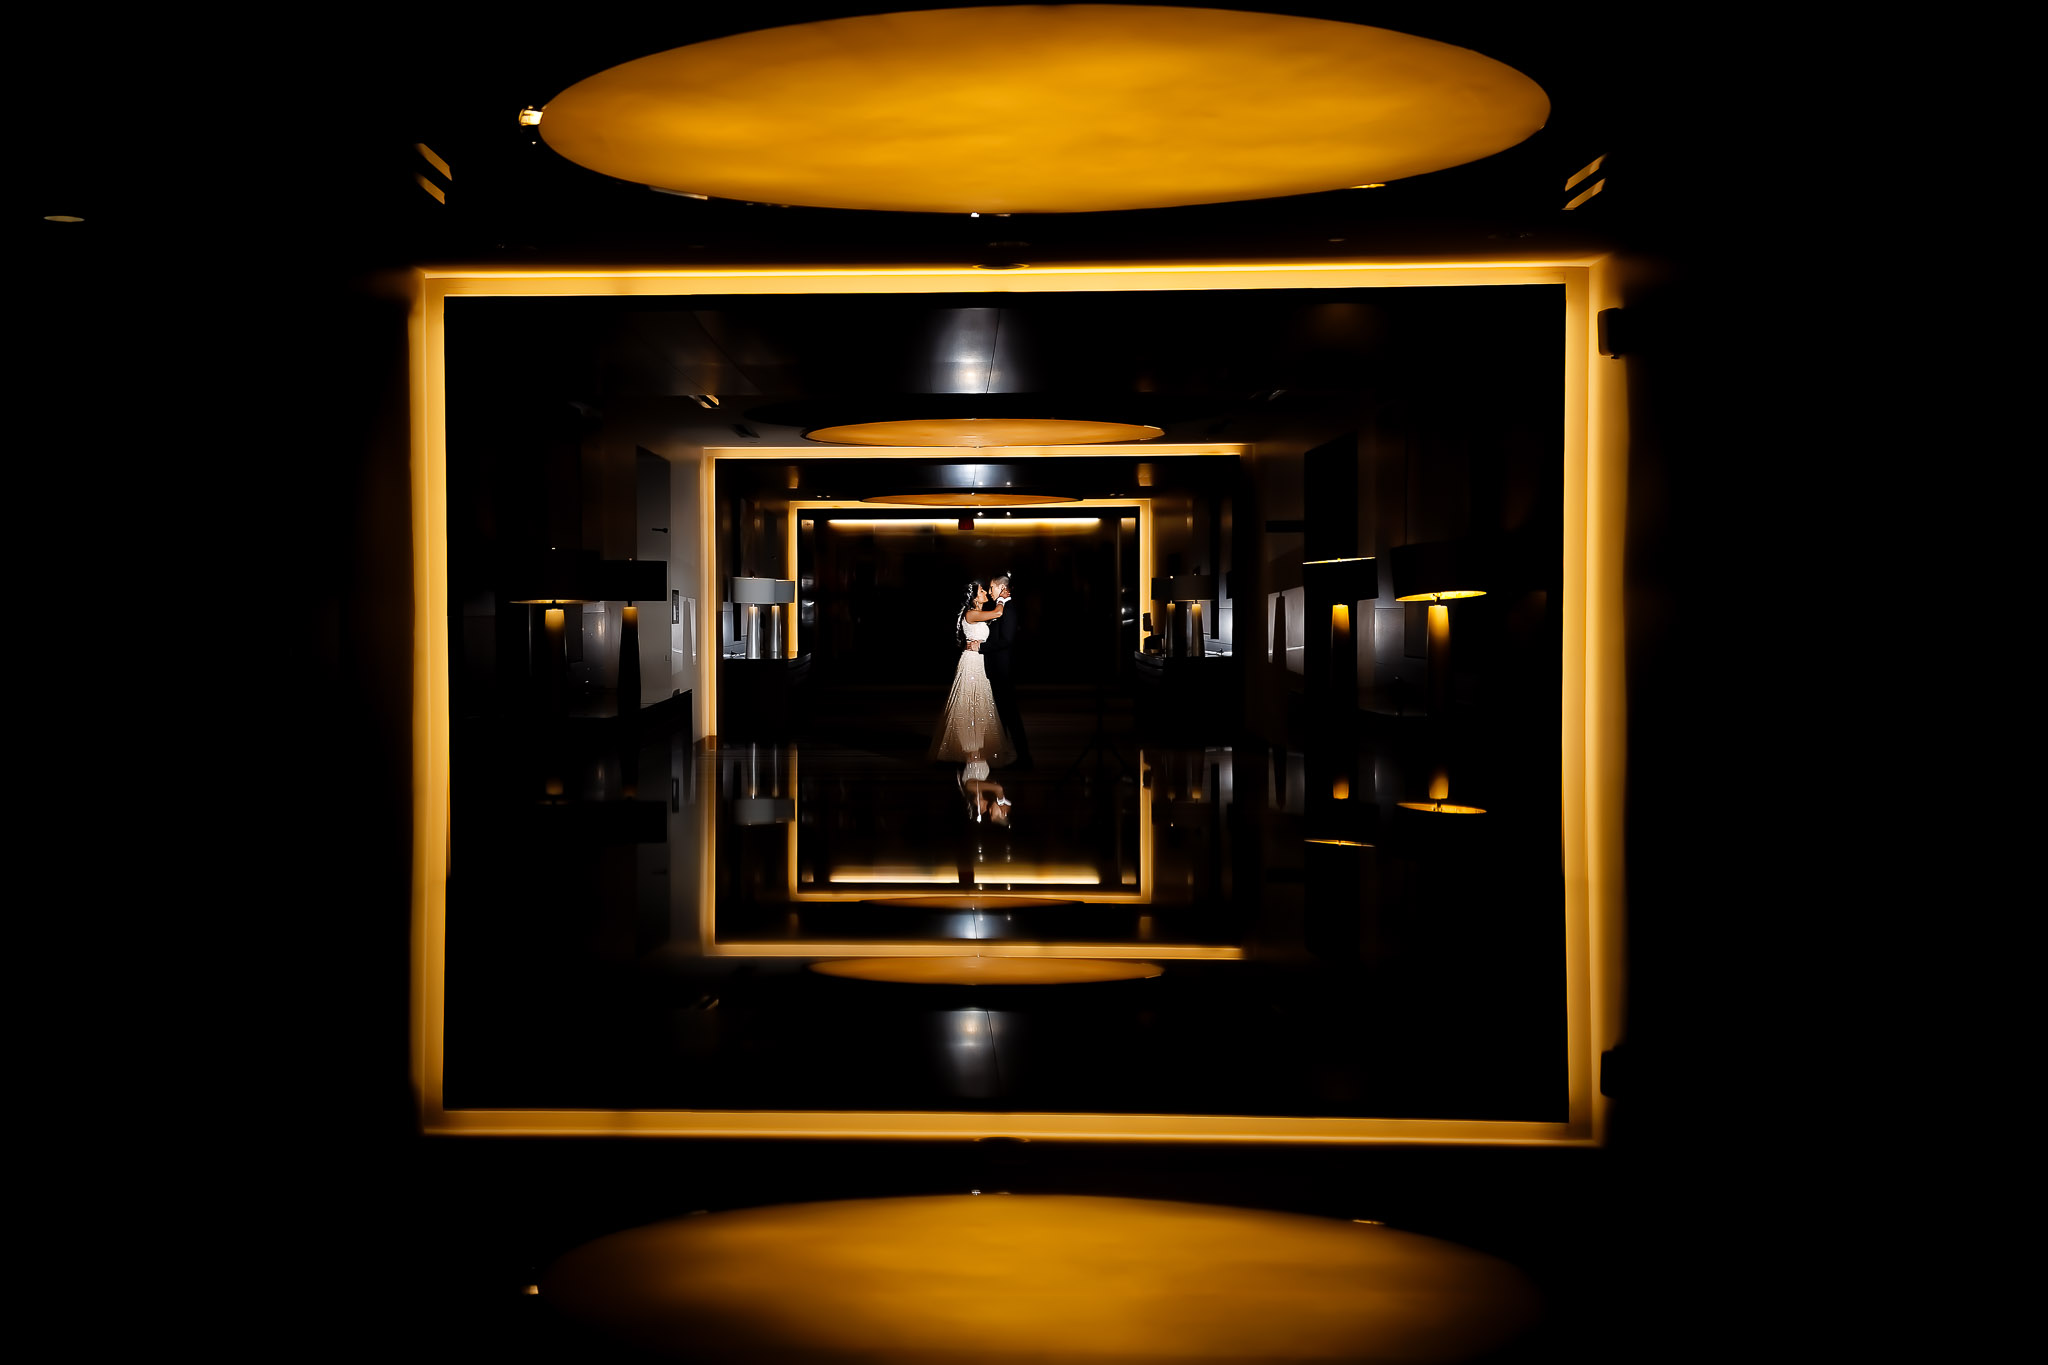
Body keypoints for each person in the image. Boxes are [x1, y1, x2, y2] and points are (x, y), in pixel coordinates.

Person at [930, 580, 1015, 778]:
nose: (985, 591)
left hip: (980, 661)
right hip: (971, 663)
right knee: (969, 703)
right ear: (974, 597)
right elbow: (997, 613)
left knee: (980, 702)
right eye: (981, 590)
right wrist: (1002, 598)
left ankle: (976, 744)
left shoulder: (978, 615)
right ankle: (969, 746)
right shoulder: (971, 613)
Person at [979, 570, 1033, 768]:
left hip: (1004, 670)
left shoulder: (1009, 610)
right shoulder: (1001, 607)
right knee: (1003, 714)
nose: (990, 590)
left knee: (1009, 715)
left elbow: (1006, 640)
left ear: (1002, 587)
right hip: (999, 669)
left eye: (992, 587)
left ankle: (1023, 758)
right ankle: (999, 755)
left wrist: (981, 647)